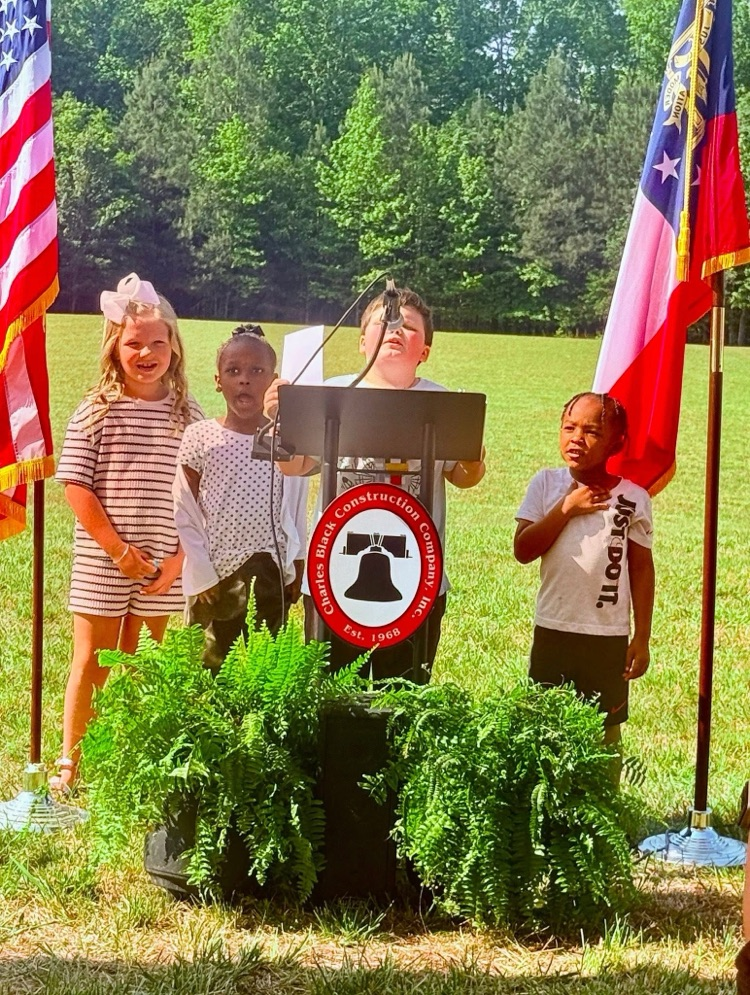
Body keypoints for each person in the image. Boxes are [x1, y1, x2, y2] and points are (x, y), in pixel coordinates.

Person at [264, 286, 486, 680]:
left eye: (409, 327)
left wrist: (473, 454)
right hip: (333, 577)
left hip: (415, 579)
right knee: (328, 692)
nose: (395, 329)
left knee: (404, 693)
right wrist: (281, 422)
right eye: (383, 322)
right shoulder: (331, 393)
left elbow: (463, 476)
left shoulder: (442, 401)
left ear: (425, 352)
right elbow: (295, 466)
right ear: (361, 342)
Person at [52, 274, 203, 792]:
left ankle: (145, 759)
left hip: (164, 564)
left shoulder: (189, 414)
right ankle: (72, 761)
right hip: (105, 561)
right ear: (114, 347)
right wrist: (118, 552)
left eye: (157, 342)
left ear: (174, 348)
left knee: (148, 667)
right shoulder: (96, 410)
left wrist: (180, 560)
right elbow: (75, 486)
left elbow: (204, 494)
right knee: (93, 660)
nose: (146, 352)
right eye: (133, 342)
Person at [513, 392, 655, 774]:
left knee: (604, 733)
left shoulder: (633, 498)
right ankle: (544, 818)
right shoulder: (546, 484)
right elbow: (524, 550)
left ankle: (600, 814)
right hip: (554, 628)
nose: (576, 437)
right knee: (544, 728)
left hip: (606, 636)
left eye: (592, 431)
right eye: (569, 427)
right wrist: (567, 508)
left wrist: (641, 637)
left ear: (616, 442)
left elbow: (641, 569)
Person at [173, 325, 307, 670]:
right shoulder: (201, 437)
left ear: (273, 380)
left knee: (267, 665)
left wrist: (298, 561)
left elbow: (295, 505)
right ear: (218, 380)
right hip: (216, 574)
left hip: (271, 568)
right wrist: (202, 572)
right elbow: (185, 509)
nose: (244, 380)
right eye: (233, 371)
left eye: (256, 371)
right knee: (210, 664)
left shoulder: (287, 442)